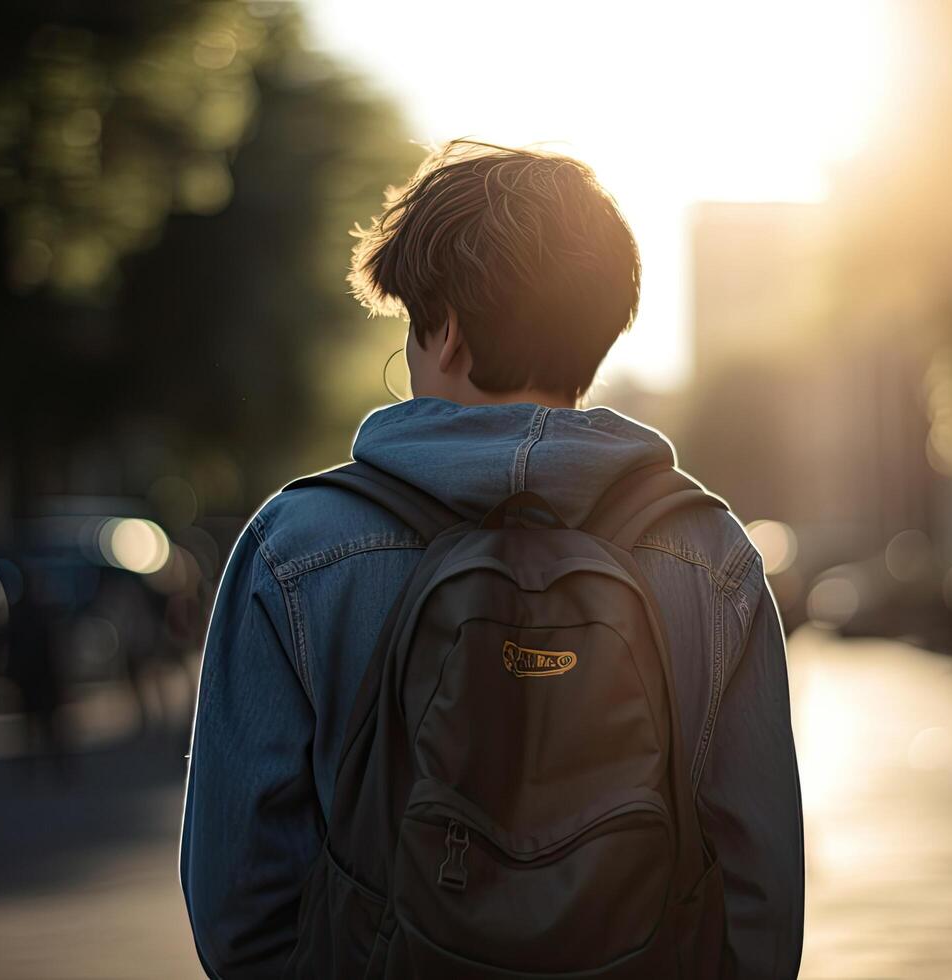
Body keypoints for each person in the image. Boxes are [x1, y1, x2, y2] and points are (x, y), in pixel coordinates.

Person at [180, 140, 804, 978]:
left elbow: (238, 898)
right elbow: (761, 897)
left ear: (446, 332)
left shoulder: (297, 549)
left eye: (411, 320)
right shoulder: (710, 554)